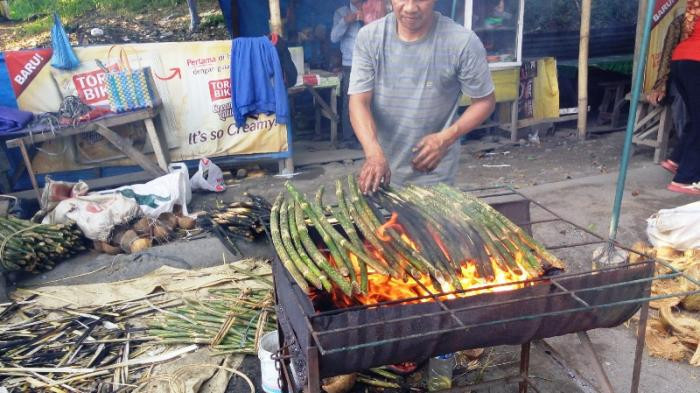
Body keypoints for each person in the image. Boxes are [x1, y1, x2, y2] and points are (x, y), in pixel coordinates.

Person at [349, 0, 496, 193]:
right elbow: (359, 101)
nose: (410, 8)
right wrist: (373, 153)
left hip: (435, 173)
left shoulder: (462, 42)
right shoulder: (369, 37)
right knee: (385, 223)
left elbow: (485, 101)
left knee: (432, 223)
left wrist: (447, 138)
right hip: (381, 171)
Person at [647, 1, 700, 195]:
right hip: (696, 64)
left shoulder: (691, 14)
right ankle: (685, 179)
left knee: (696, 119)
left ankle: (676, 160)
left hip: (682, 62)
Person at [331, 0, 366, 148]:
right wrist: (346, 21)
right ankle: (349, 138)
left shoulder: (373, 9)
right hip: (350, 64)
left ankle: (368, 138)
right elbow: (333, 37)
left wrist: (368, 19)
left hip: (371, 63)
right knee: (350, 102)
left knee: (371, 102)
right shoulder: (341, 12)